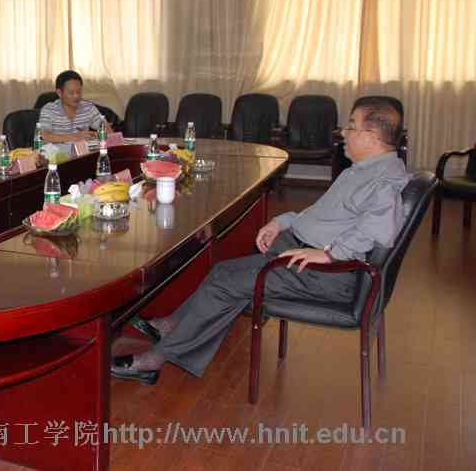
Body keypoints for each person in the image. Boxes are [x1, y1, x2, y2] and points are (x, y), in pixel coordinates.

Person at [112, 98, 410, 385]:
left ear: (372, 135)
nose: (343, 132)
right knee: (223, 270)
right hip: (301, 254)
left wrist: (331, 254)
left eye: (351, 126)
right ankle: (173, 326)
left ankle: (155, 359)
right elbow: (323, 214)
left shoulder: (385, 179)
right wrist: (283, 221)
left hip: (326, 275)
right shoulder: (365, 169)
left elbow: (381, 229)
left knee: (226, 285)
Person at [37, 70, 112, 144]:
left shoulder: (88, 108)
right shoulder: (49, 110)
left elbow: (109, 132)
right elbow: (43, 137)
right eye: (71, 93)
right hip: (57, 151)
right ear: (59, 93)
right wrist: (75, 136)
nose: (76, 96)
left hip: (83, 151)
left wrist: (96, 135)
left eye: (79, 92)